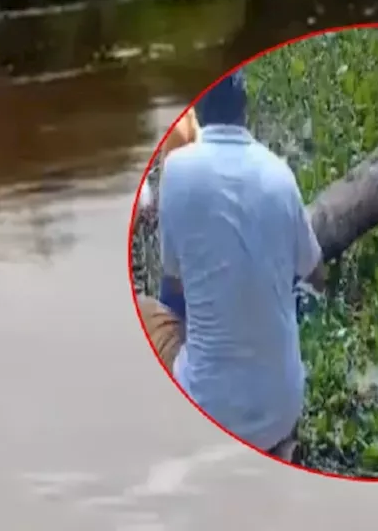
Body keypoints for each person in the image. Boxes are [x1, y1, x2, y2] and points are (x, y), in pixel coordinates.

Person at [136, 70, 325, 459]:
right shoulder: (280, 174)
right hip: (281, 411)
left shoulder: (177, 171)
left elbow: (174, 283)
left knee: (144, 310)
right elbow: (316, 275)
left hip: (210, 412)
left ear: (199, 113)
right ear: (246, 111)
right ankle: (280, 446)